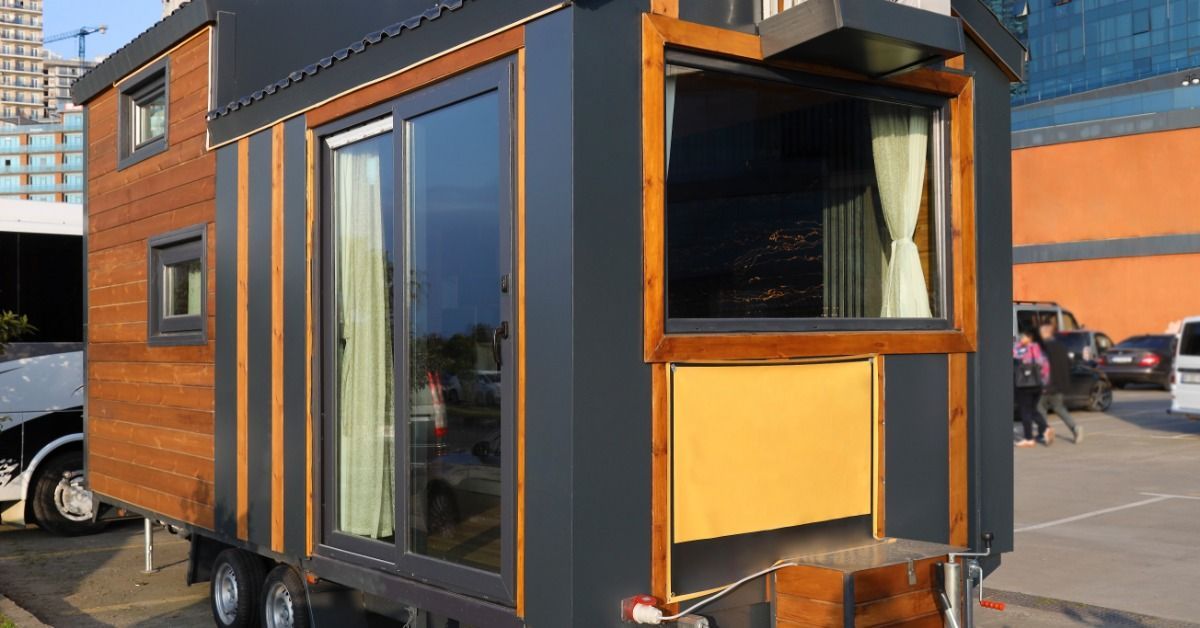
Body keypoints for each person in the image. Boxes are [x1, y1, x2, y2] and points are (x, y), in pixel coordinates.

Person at [1038, 322, 1084, 444]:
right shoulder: (1061, 347)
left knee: (1039, 407)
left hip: (1045, 384)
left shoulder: (1042, 347)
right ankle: (1075, 428)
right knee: (1059, 407)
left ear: (1045, 333)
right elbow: (1069, 364)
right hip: (1059, 385)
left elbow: (1040, 365)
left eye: (1041, 333)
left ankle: (1046, 431)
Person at [1013, 327, 1053, 447]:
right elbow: (1045, 367)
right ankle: (1045, 428)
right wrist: (1044, 383)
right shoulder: (1038, 349)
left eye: (1023, 337)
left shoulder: (1022, 349)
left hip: (1024, 385)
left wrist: (1019, 344)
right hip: (1037, 385)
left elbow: (1013, 353)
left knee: (1025, 411)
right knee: (1032, 409)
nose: (1021, 339)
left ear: (1029, 338)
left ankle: (1029, 438)